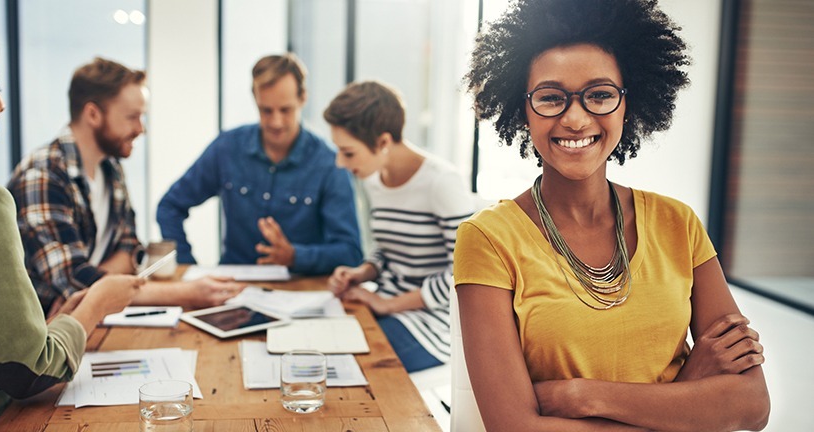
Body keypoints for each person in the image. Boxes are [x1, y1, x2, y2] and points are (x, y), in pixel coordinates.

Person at [454, 0, 770, 431]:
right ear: (523, 109)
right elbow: (513, 427)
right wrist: (687, 391)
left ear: (627, 103)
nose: (576, 118)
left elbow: (751, 406)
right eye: (550, 98)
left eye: (600, 95)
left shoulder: (678, 223)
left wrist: (580, 395)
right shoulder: (488, 238)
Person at [0, 17, 142, 431]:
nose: (1, 102)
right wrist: (99, 299)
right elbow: (31, 368)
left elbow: (130, 246)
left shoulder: (113, 172)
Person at [8, 58, 243, 316]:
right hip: (48, 334)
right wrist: (186, 292)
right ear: (93, 114)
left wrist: (98, 285)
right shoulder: (42, 176)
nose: (141, 129)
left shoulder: (110, 167)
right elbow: (73, 280)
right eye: (132, 117)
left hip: (93, 319)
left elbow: (130, 247)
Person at [156, 54, 363, 275]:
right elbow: (169, 207)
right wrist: (189, 268)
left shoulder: (329, 163)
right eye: (266, 110)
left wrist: (295, 256)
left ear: (303, 98)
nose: (275, 122)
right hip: (232, 286)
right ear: (255, 99)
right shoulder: (227, 148)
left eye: (285, 110)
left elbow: (350, 253)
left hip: (301, 289)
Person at [324, 81, 477, 372]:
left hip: (432, 325)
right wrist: (362, 272)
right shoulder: (373, 181)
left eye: (349, 153)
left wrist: (388, 305)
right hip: (382, 306)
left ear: (382, 142)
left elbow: (466, 273)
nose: (340, 163)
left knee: (344, 365)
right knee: (316, 344)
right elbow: (388, 247)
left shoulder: (441, 182)